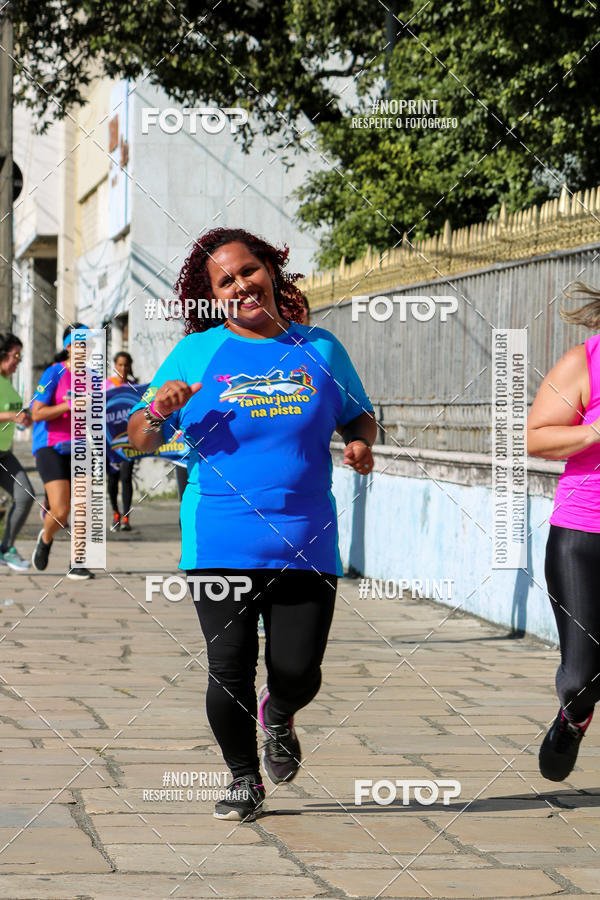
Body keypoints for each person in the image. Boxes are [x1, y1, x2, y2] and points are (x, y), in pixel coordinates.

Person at [128, 227, 376, 822]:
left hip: (306, 540)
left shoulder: (321, 349)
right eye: (225, 281)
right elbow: (138, 438)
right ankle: (244, 779)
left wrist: (361, 444)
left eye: (248, 271)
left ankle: (280, 713)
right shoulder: (196, 353)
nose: (241, 285)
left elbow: (360, 415)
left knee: (298, 671)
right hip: (220, 537)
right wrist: (159, 409)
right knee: (228, 668)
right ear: (212, 295)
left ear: (270, 269)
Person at [528, 282, 600, 781]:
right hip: (583, 534)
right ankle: (574, 715)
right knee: (581, 678)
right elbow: (537, 436)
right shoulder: (585, 362)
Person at [30, 323, 94, 580]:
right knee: (60, 511)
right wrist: (70, 405)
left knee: (84, 506)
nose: (86, 349)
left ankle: (77, 562)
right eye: (81, 344)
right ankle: (46, 538)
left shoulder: (92, 377)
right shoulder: (53, 373)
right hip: (50, 446)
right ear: (69, 347)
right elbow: (37, 413)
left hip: (80, 446)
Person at [0, 332, 34, 571]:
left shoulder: (7, 382)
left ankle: (6, 549)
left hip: (4, 454)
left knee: (25, 495)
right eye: (16, 356)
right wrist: (12, 415)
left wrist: (25, 417)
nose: (19, 361)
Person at [105, 351, 137, 532]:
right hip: (110, 441)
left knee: (126, 477)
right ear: (114, 366)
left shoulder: (134, 387)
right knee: (113, 478)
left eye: (126, 365)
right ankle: (115, 512)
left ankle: (126, 516)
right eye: (120, 365)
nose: (123, 368)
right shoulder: (106, 386)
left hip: (129, 441)